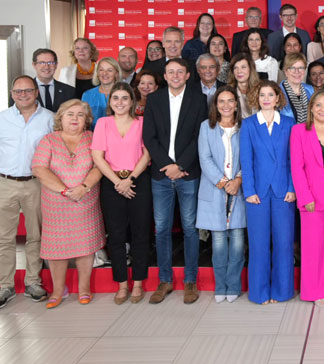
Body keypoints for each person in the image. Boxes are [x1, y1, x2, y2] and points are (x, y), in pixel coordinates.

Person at [143, 58, 208, 305]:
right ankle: (165, 280)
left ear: (188, 75)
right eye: (171, 72)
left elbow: (199, 136)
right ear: (165, 75)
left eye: (180, 72)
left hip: (187, 173)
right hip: (161, 174)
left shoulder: (199, 100)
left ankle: (190, 281)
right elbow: (149, 137)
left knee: (190, 228)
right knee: (161, 228)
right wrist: (167, 166)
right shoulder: (155, 99)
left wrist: (180, 166)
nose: (175, 75)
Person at [0, 76, 54, 309]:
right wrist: (6, 172)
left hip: (36, 183)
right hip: (4, 183)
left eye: (27, 90)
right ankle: (5, 286)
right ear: (12, 93)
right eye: (18, 91)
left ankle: (33, 282)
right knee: (4, 238)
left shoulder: (49, 119)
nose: (22, 95)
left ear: (36, 92)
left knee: (36, 235)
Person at [32, 99, 104, 308]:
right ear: (60, 118)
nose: (75, 118)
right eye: (70, 114)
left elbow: (100, 166)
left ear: (87, 119)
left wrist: (83, 187)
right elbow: (39, 168)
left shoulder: (93, 138)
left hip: (85, 201)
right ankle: (58, 290)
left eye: (80, 115)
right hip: (56, 204)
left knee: (85, 247)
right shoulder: (48, 140)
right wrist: (64, 190)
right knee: (57, 249)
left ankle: (84, 289)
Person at [90, 82, 152, 305]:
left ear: (132, 101)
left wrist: (130, 180)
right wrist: (118, 182)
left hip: (138, 181)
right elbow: (97, 157)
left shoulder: (142, 122)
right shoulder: (103, 123)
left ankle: (138, 283)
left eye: (125, 98)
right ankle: (122, 284)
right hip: (112, 183)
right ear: (110, 102)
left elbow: (147, 154)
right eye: (115, 98)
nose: (120, 102)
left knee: (140, 234)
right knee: (116, 236)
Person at [240, 80, 296, 304]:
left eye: (270, 95)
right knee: (259, 244)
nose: (266, 99)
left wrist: (292, 188)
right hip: (258, 192)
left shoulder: (289, 124)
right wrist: (249, 190)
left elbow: (294, 159)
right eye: (262, 95)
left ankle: (282, 291)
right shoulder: (249, 124)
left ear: (277, 98)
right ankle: (260, 292)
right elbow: (246, 160)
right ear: (256, 98)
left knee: (284, 244)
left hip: (284, 191)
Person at [290, 90, 324, 306]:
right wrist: (305, 196)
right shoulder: (299, 131)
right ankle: (314, 290)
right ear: (311, 108)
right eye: (318, 105)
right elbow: (297, 167)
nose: (323, 109)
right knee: (313, 245)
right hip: (312, 194)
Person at [196, 86, 246, 303]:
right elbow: (204, 158)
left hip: (239, 190)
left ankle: (233, 285)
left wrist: (238, 181)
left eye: (230, 101)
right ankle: (221, 286)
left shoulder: (245, 127)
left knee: (237, 243)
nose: (226, 105)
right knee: (218, 244)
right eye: (221, 101)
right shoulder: (206, 127)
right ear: (215, 105)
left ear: (236, 104)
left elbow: (249, 158)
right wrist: (224, 183)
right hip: (215, 189)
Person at [81, 57, 121, 130]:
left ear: (116, 74)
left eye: (109, 70)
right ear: (97, 73)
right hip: (92, 135)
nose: (104, 73)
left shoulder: (123, 94)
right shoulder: (87, 95)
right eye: (101, 70)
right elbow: (83, 120)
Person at [31, 48, 75, 113]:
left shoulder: (69, 91)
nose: (46, 67)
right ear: (34, 65)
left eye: (51, 63)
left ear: (56, 65)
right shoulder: (24, 91)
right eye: (42, 63)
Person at [280, 53, 315, 123]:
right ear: (285, 71)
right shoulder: (277, 92)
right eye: (292, 68)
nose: (297, 71)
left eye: (301, 68)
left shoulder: (310, 89)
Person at [227, 53, 259, 119]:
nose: (239, 71)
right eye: (235, 68)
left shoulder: (261, 89)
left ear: (250, 69)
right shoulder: (228, 91)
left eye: (243, 67)